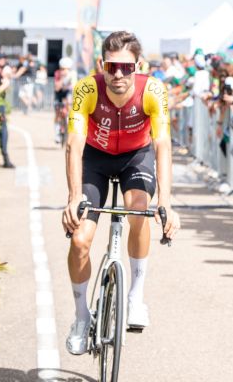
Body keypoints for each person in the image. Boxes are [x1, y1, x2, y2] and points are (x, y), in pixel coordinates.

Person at [61, 31, 181, 355]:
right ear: (101, 64)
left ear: (138, 66)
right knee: (80, 239)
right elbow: (73, 145)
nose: (118, 75)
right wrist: (74, 197)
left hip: (135, 157)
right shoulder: (87, 88)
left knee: (138, 210)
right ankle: (81, 317)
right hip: (95, 158)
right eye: (111, 67)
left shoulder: (153, 89)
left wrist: (166, 201)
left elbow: (163, 145)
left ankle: (136, 296)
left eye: (126, 68)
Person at [54, 57, 78, 144]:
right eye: (62, 69)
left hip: (68, 94)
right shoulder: (57, 73)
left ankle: (69, 126)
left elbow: (74, 87)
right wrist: (62, 78)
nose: (64, 70)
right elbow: (57, 88)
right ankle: (57, 133)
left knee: (69, 105)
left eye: (66, 69)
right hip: (59, 94)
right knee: (58, 113)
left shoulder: (72, 74)